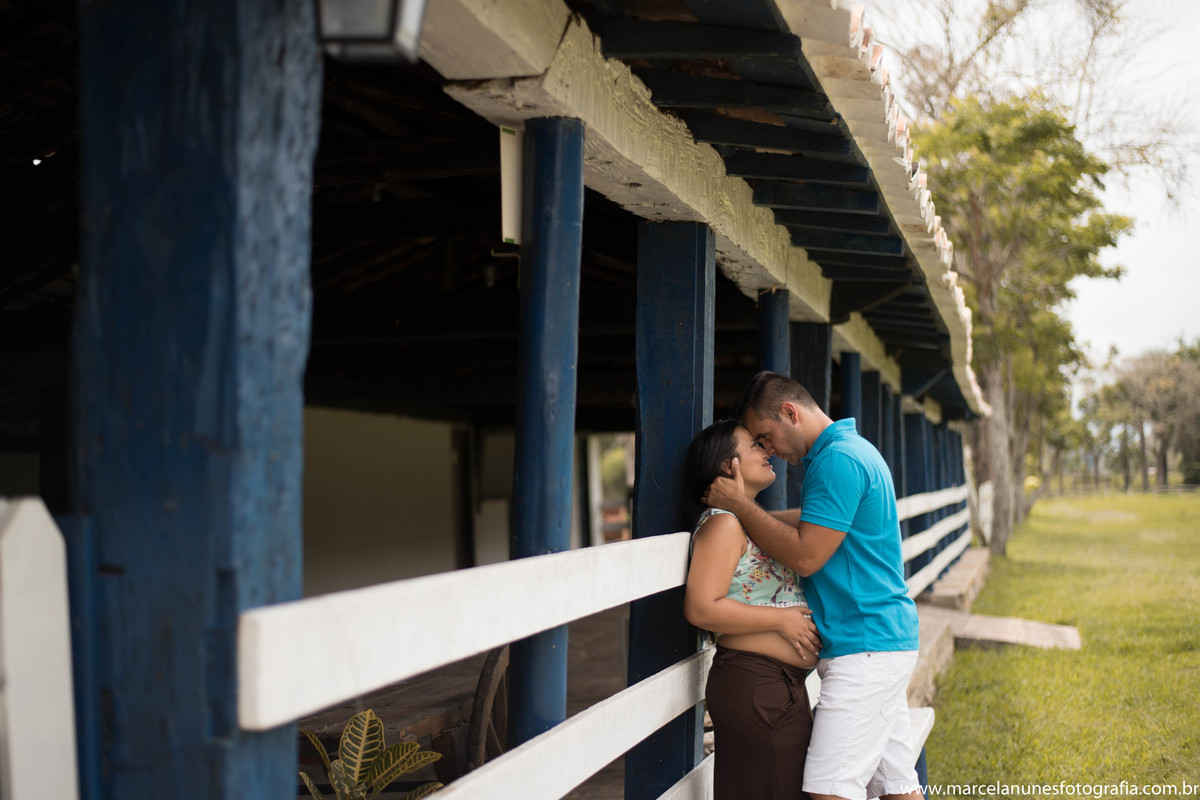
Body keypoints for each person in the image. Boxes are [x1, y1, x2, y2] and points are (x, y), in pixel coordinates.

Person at [704, 371, 923, 800]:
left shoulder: (836, 460)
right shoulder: (850, 451)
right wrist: (740, 513)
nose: (770, 450)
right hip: (879, 641)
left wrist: (739, 505)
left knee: (830, 790)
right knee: (897, 787)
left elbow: (806, 554)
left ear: (790, 412)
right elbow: (814, 524)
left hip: (866, 648)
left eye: (766, 437)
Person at [682, 419, 823, 800]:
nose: (767, 451)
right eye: (754, 446)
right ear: (730, 466)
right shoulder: (724, 525)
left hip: (775, 688)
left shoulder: (743, 522)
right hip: (756, 685)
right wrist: (781, 620)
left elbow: (815, 526)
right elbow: (700, 607)